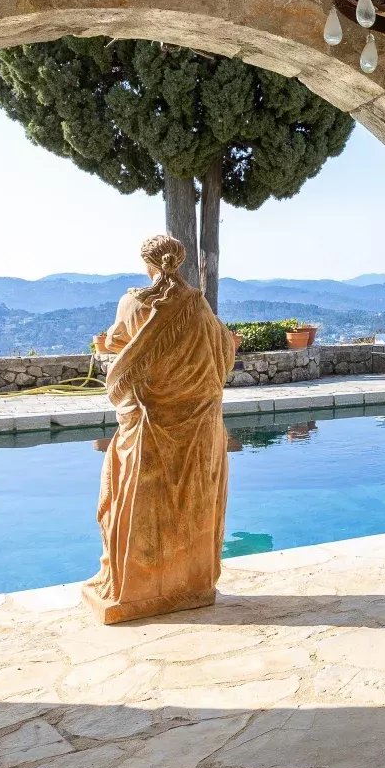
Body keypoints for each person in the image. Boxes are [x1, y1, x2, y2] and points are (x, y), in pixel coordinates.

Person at [83, 234, 238, 624]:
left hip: (150, 420)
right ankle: (190, 583)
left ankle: (138, 588)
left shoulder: (134, 302)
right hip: (200, 420)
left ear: (147, 263)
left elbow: (117, 343)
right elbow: (224, 350)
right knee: (192, 500)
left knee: (137, 499)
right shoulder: (197, 303)